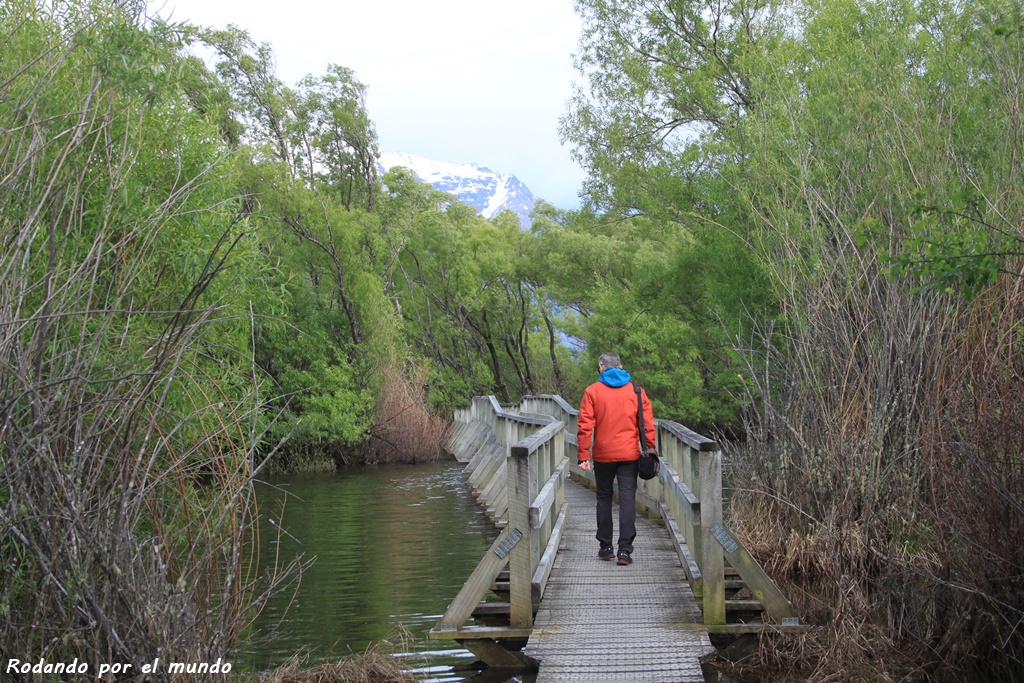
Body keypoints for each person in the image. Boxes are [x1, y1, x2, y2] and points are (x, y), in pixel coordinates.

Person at [576, 352, 656, 566]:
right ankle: (625, 551)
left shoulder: (592, 391)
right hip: (630, 453)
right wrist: (650, 448)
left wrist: (583, 455)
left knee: (603, 497)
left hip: (603, 454)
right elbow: (647, 423)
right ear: (620, 366)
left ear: (601, 367)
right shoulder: (636, 391)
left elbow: (585, 426)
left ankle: (606, 547)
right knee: (628, 499)